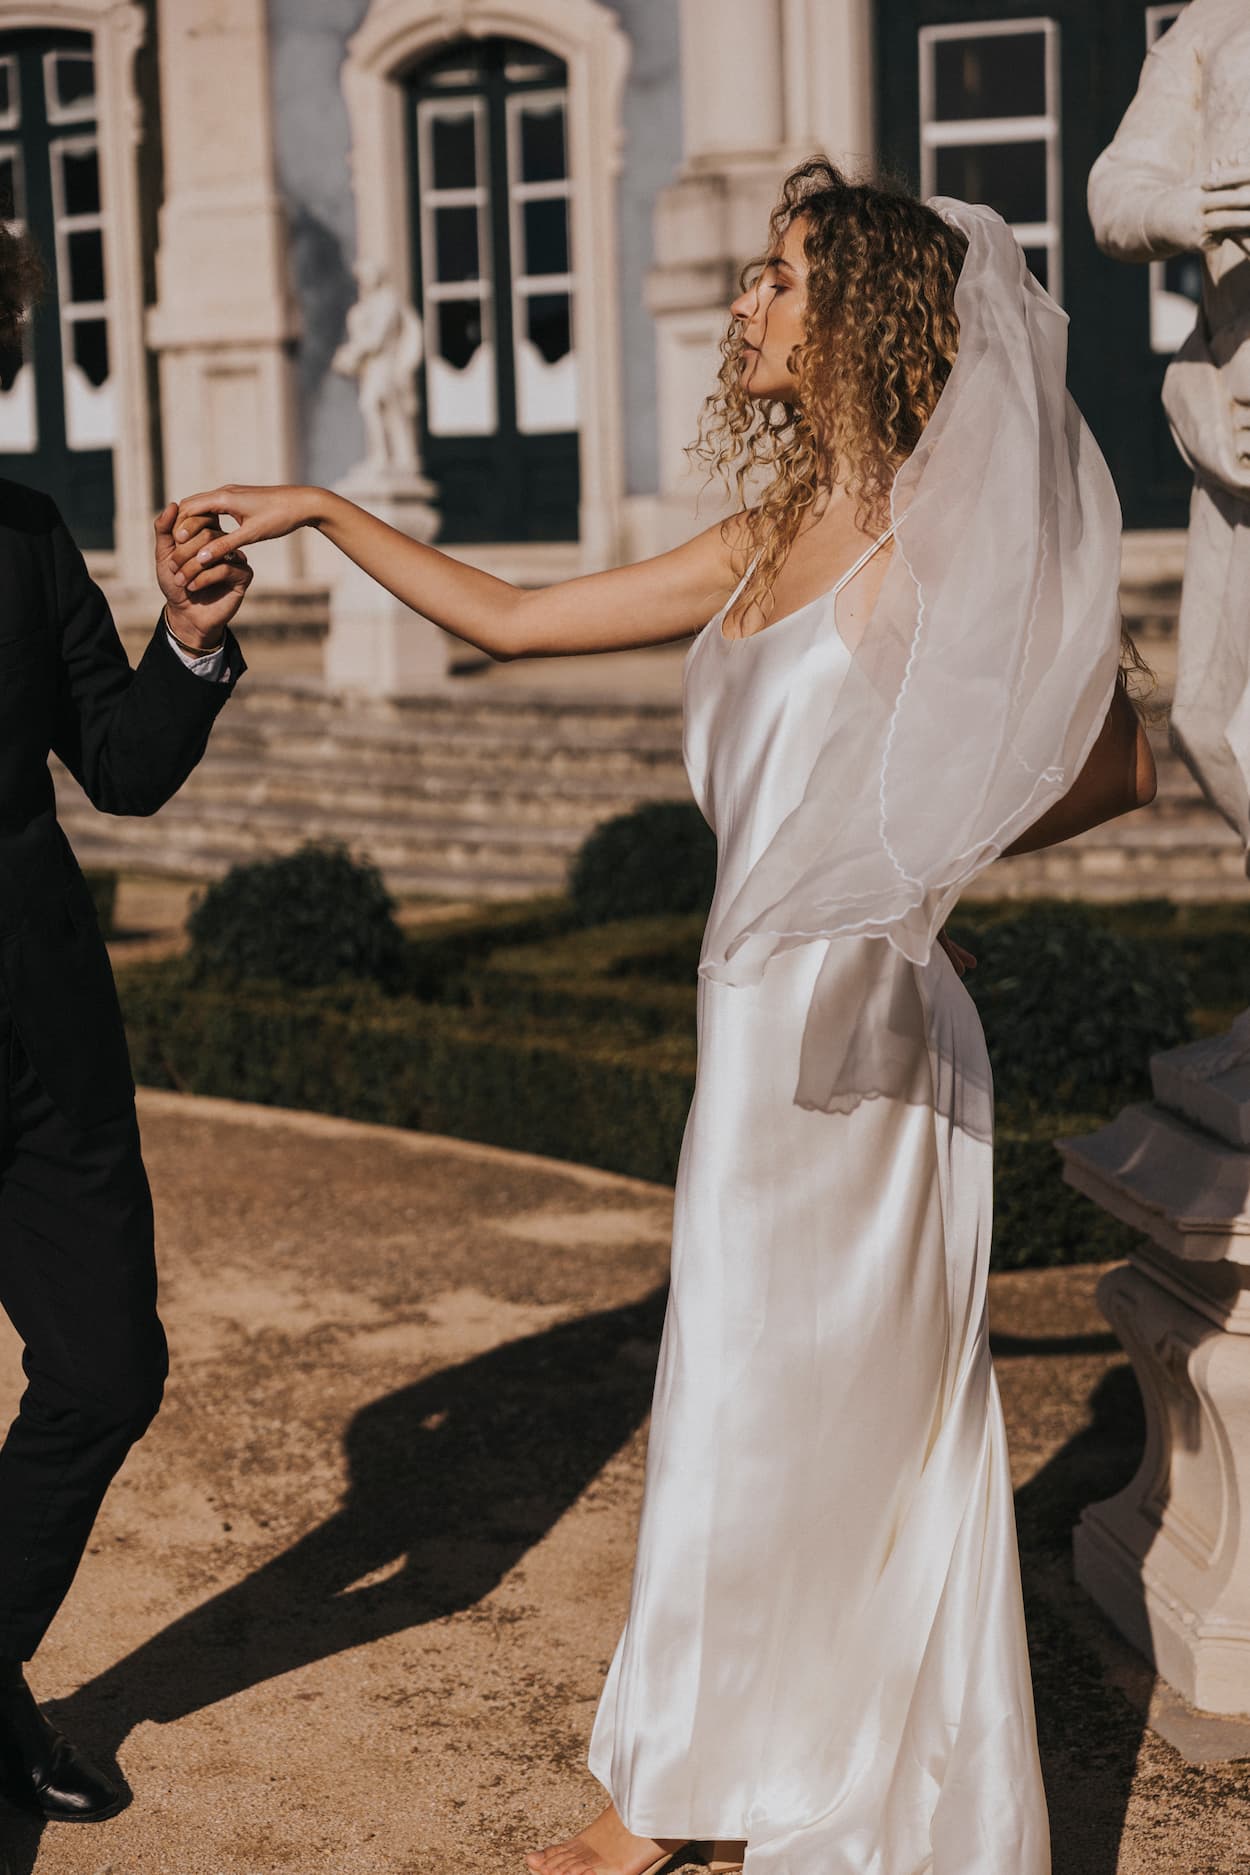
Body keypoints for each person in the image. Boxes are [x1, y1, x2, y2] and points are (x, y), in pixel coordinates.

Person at [172, 159, 1155, 1875]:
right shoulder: (769, 535)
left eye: (781, 277)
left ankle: (671, 1796)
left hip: (858, 1048)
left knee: (780, 1407)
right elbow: (515, 614)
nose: (747, 303)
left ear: (865, 314)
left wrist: (904, 883)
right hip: (748, 1031)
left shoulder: (940, 538)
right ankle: (721, 1764)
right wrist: (322, 511)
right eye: (761, 274)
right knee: (748, 1392)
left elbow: (1121, 757)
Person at [0, 220, 253, 1824]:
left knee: (106, 1370)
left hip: (44, 1047)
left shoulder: (26, 534)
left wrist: (191, 639)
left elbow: (126, 762)